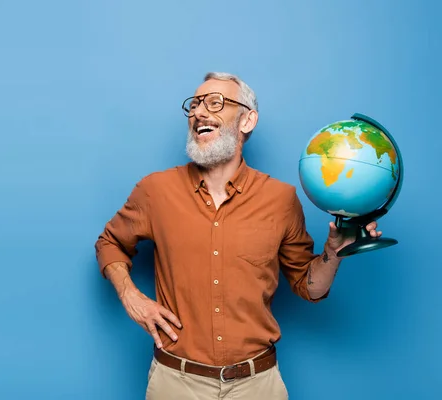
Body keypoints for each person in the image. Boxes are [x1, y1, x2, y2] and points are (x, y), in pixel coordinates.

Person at [94, 72, 382, 399]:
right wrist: (132, 297)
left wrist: (334, 252)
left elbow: (310, 287)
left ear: (247, 120)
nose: (199, 112)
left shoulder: (281, 199)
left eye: (215, 103)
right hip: (176, 382)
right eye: (195, 105)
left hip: (258, 384)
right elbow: (110, 243)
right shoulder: (155, 191)